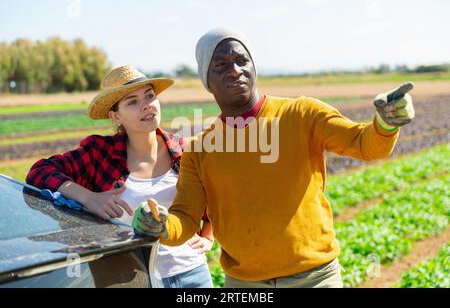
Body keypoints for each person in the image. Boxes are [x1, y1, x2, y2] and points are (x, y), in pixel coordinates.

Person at [134, 28, 415, 288]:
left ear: (254, 66)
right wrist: (161, 225)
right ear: (207, 78)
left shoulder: (302, 114)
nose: (235, 71)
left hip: (316, 278)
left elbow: (366, 144)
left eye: (242, 60)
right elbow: (185, 219)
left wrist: (387, 123)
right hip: (245, 285)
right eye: (220, 65)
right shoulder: (200, 149)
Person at [26, 65, 214, 288]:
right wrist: (88, 197)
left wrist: (209, 235)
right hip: (130, 279)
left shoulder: (184, 150)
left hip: (192, 274)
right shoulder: (99, 153)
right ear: (116, 116)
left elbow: (212, 193)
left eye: (150, 96)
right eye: (132, 101)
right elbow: (39, 172)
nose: (146, 106)